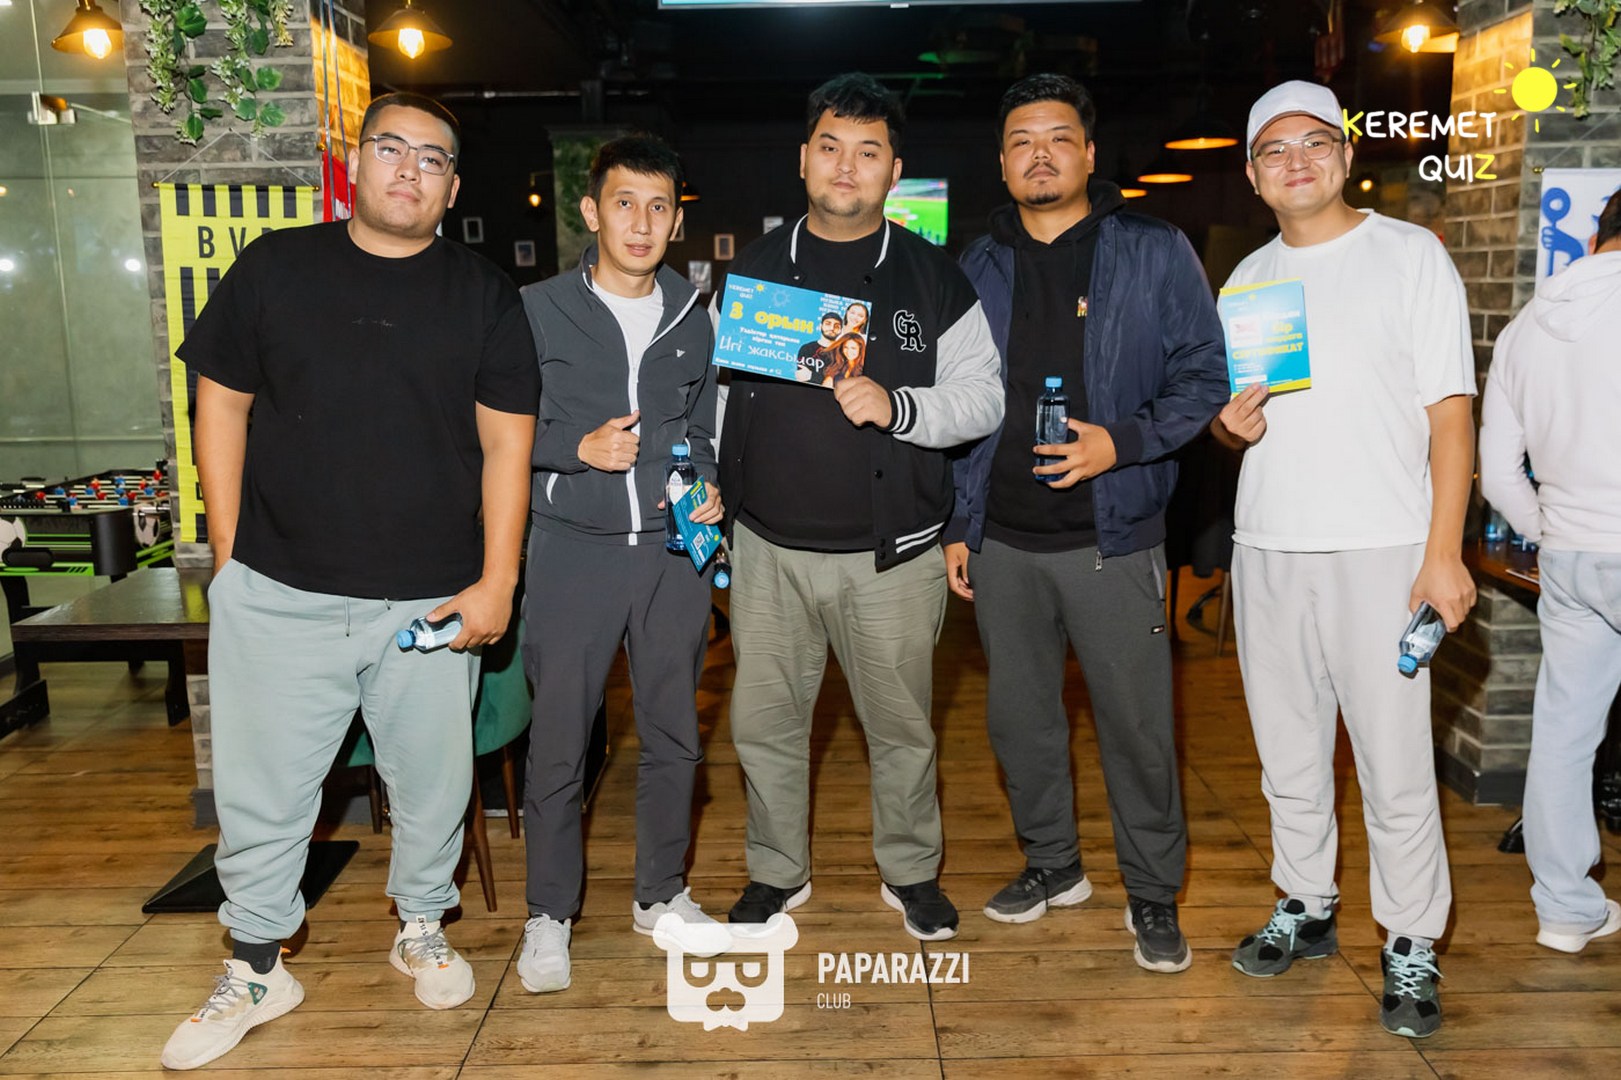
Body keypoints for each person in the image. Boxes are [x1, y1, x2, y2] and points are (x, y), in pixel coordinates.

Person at [160, 92, 539, 1070]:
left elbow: (508, 446)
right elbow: (219, 406)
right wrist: (231, 557)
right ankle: (257, 966)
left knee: (433, 784)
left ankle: (421, 925)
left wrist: (498, 580)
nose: (409, 169)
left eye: (431, 158)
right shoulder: (275, 268)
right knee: (262, 795)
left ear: (452, 186)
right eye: (391, 148)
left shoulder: (484, 294)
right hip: (281, 592)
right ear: (354, 163)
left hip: (431, 600)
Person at [1212, 80, 1476, 1038]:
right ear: (1252, 176)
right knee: (1287, 752)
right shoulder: (1244, 281)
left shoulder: (1409, 256)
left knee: (1394, 762)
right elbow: (1240, 422)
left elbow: (1450, 415)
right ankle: (1306, 901)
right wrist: (1229, 429)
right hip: (1267, 544)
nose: (1295, 161)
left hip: (1384, 547)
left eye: (1313, 143)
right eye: (1273, 150)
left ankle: (1409, 939)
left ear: (1345, 155)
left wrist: (1442, 554)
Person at [949, 74, 1228, 973]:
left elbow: (1204, 374)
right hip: (1002, 540)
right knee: (1021, 723)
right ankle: (1053, 864)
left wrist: (1122, 443)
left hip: (1113, 534)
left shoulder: (1153, 250)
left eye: (1057, 138)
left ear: (1088, 153)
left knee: (1137, 730)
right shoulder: (974, 266)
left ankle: (1152, 892)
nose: (1040, 155)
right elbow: (957, 401)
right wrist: (958, 521)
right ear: (1002, 162)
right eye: (1022, 141)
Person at [717, 72, 1003, 940]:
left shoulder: (934, 277)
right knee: (764, 726)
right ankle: (776, 871)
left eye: (868, 152)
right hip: (766, 551)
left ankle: (910, 870)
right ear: (803, 158)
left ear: (893, 170)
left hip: (894, 557)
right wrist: (713, 506)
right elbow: (718, 403)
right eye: (831, 147)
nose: (846, 166)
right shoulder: (753, 271)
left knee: (902, 729)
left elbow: (984, 398)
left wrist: (898, 406)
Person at [513, 134, 724, 994]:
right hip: (572, 554)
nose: (641, 222)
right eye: (624, 203)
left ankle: (660, 893)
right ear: (591, 212)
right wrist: (575, 448)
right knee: (560, 743)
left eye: (658, 206)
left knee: (675, 736)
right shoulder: (534, 310)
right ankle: (548, 914)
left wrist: (707, 489)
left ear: (675, 221)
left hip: (673, 559)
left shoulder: (694, 315)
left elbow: (701, 430)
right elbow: (496, 432)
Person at [1480, 188, 1621, 955]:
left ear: (1597, 237)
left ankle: (1565, 910)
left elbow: (1498, 474)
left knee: (1565, 735)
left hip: (1568, 556)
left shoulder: (1525, 326)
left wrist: (1551, 530)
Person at [798, 311, 843, 382]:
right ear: (820, 326)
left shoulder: (843, 352)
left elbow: (839, 382)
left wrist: (811, 375)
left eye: (836, 326)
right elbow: (801, 376)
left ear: (841, 330)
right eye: (828, 324)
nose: (832, 328)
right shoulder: (806, 348)